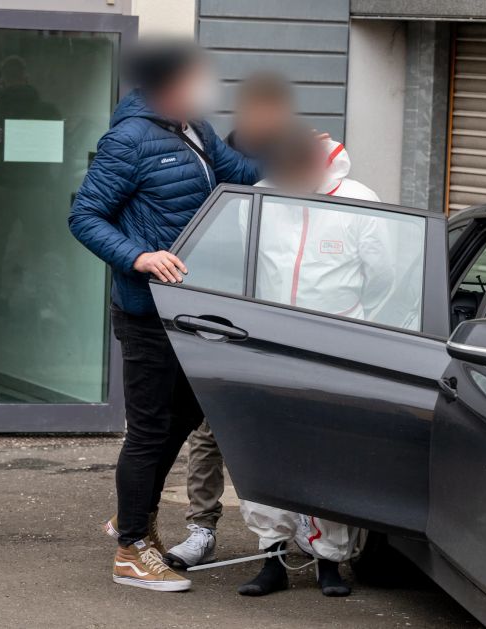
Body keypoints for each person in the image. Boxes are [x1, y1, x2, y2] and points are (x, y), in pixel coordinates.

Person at [68, 38, 260, 593]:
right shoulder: (128, 139)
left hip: (190, 309)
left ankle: (136, 510)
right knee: (151, 427)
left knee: (183, 416)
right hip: (147, 309)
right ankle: (130, 548)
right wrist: (138, 255)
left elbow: (238, 175)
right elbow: (84, 215)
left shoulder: (194, 128)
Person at [236, 126, 395, 598]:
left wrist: (359, 335)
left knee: (331, 455)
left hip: (335, 347)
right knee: (266, 449)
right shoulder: (262, 198)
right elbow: (248, 267)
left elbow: (384, 277)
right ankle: (272, 557)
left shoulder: (360, 200)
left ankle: (329, 561)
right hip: (270, 345)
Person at [165, 71, 296, 570]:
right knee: (210, 425)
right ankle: (202, 528)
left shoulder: (301, 158)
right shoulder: (217, 155)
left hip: (283, 315)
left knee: (283, 424)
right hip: (223, 307)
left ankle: (300, 536)